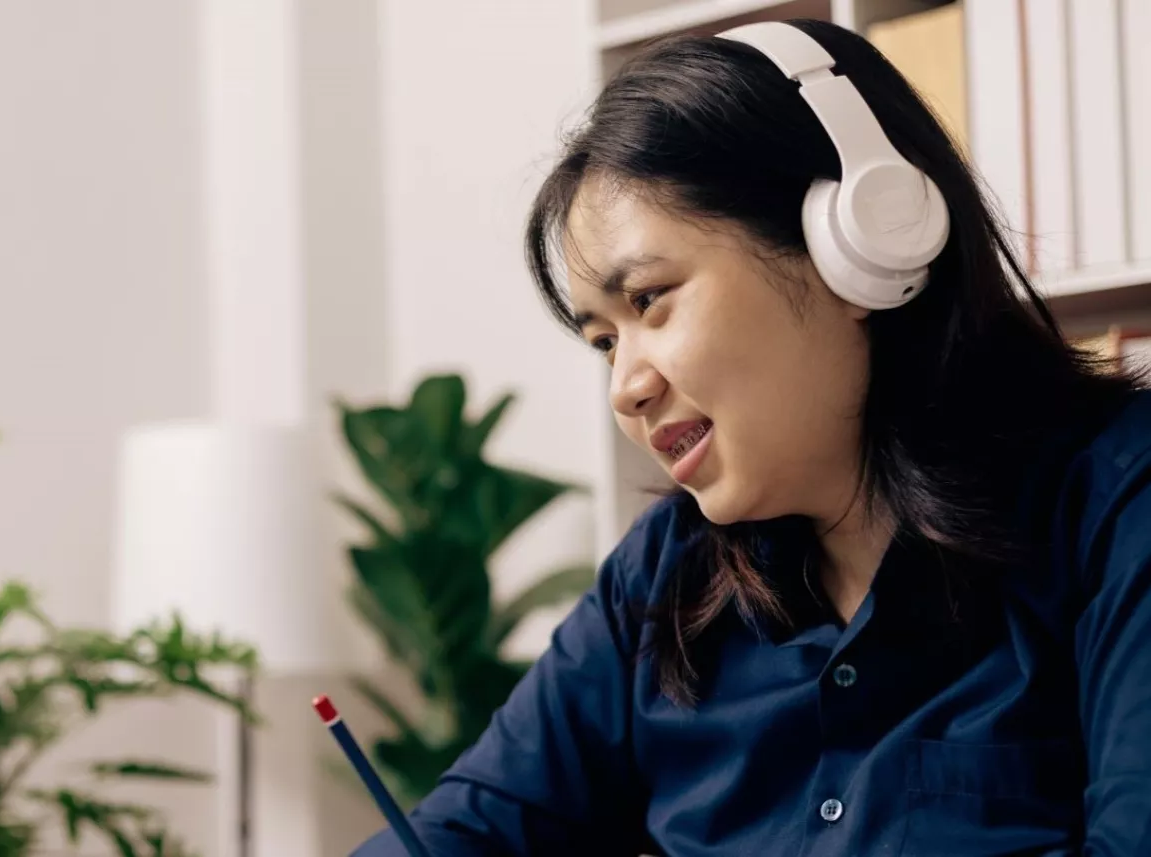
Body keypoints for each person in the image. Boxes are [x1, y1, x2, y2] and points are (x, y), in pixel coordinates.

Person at [353, 18, 1151, 856]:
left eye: (652, 299)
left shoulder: (1116, 505)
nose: (627, 387)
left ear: (863, 244)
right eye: (603, 340)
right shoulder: (662, 576)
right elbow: (461, 833)